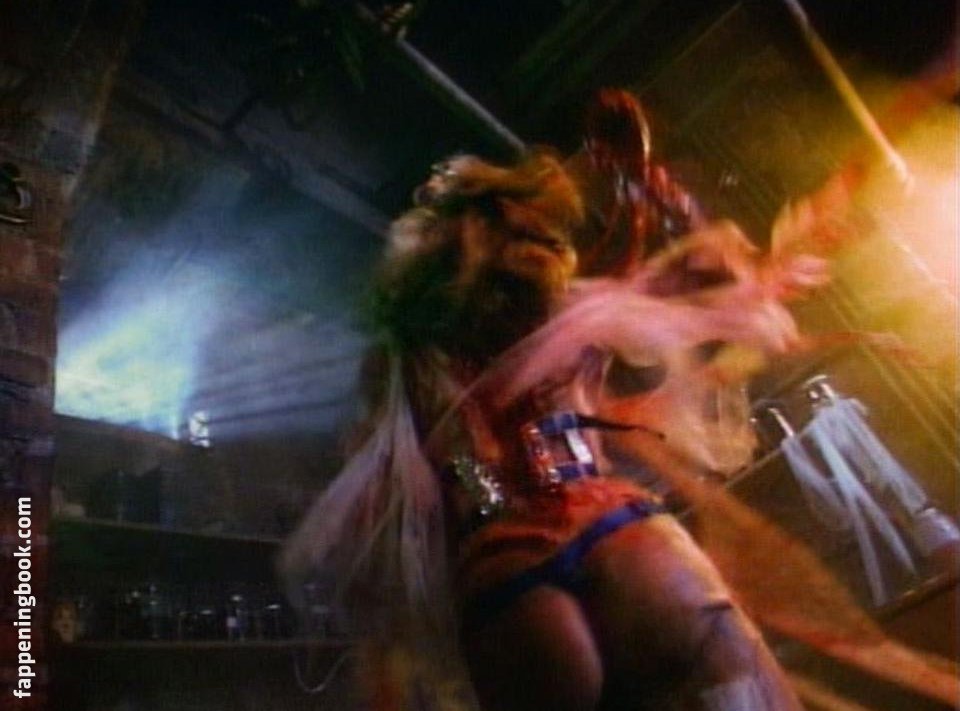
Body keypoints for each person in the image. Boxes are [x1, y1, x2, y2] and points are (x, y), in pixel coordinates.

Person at [279, 90, 952, 710]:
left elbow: (412, 495)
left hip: (504, 581)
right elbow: (657, 284)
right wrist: (636, 184)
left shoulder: (399, 364)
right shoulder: (562, 313)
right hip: (613, 533)